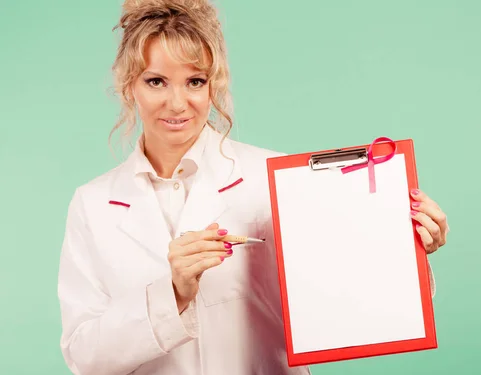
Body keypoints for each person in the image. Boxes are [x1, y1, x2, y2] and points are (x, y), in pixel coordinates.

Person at [56, 0, 450, 374]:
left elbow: (348, 296)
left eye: (195, 81)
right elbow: (83, 357)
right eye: (156, 81)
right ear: (129, 86)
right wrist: (172, 294)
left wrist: (406, 248)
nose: (177, 103)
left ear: (214, 86)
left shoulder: (272, 178)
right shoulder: (93, 205)